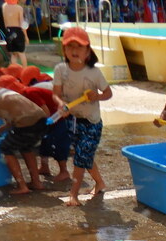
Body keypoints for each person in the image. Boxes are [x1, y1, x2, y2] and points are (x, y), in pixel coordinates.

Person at [53, 26, 112, 205]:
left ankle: (73, 194)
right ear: (64, 50)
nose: (74, 50)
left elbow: (108, 93)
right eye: (70, 46)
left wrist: (98, 96)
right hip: (73, 121)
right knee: (85, 155)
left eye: (79, 47)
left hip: (92, 122)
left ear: (87, 51)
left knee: (80, 157)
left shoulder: (94, 73)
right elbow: (56, 93)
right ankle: (100, 183)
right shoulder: (60, 70)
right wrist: (61, 103)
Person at [0, 74, 71, 182]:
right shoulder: (20, 98)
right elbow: (14, 121)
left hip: (60, 119)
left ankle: (64, 171)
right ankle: (44, 167)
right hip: (49, 120)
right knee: (45, 143)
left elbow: (45, 112)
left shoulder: (30, 93)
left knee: (58, 144)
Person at [2, 0, 28, 67]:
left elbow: (5, 21)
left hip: (8, 31)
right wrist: (26, 36)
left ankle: (13, 71)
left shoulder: (4, 6)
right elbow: (22, 23)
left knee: (13, 54)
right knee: (21, 53)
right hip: (17, 31)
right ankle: (25, 70)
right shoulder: (19, 8)